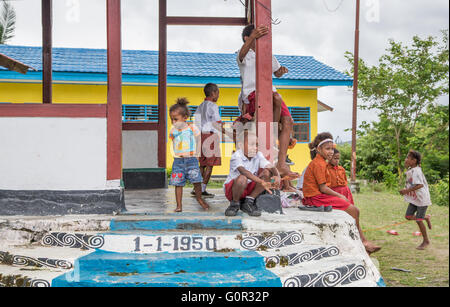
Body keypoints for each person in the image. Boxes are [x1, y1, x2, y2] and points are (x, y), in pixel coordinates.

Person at [302, 132, 381, 255]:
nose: (331, 152)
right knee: (354, 210)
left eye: (332, 149)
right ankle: (363, 242)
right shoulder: (318, 164)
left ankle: (362, 242)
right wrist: (339, 195)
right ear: (319, 149)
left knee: (353, 210)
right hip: (315, 198)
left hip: (318, 196)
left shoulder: (322, 162)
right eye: (327, 149)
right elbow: (322, 188)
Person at [236, 24, 296, 178]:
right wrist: (253, 37)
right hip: (252, 93)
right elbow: (241, 55)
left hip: (270, 91)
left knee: (288, 120)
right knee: (264, 124)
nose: (261, 39)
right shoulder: (244, 53)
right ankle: (270, 135)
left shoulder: (268, 54)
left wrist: (281, 71)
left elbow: (277, 72)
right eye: (257, 36)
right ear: (247, 38)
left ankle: (282, 163)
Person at [223, 129, 281, 217]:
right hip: (234, 189)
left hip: (249, 187)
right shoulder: (236, 156)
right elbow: (244, 172)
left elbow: (269, 165)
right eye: (251, 144)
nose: (255, 148)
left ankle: (249, 201)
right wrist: (262, 182)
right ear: (241, 145)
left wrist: (277, 176)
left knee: (267, 173)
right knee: (243, 178)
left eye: (257, 145)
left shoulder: (258, 155)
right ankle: (234, 204)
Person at [168, 98, 210, 213]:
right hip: (178, 161)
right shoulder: (173, 130)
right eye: (171, 119)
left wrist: (197, 153)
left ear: (185, 117)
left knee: (196, 181)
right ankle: (179, 205)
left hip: (191, 160)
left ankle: (199, 199)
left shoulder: (192, 128)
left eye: (175, 119)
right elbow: (173, 142)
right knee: (178, 183)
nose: (173, 122)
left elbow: (199, 140)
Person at [193, 83, 223, 198]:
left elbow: (196, 123)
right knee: (210, 165)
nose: (219, 96)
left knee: (202, 164)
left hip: (201, 136)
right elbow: (217, 123)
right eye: (218, 93)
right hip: (210, 136)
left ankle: (196, 188)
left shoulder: (200, 106)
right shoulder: (213, 106)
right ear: (213, 93)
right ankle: (203, 189)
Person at [400, 150, 433, 250]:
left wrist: (406, 191)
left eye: (408, 158)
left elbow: (420, 185)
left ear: (414, 161)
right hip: (415, 199)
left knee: (419, 220)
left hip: (422, 199)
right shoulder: (412, 169)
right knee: (408, 216)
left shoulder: (417, 171)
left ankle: (426, 241)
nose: (406, 159)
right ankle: (425, 217)